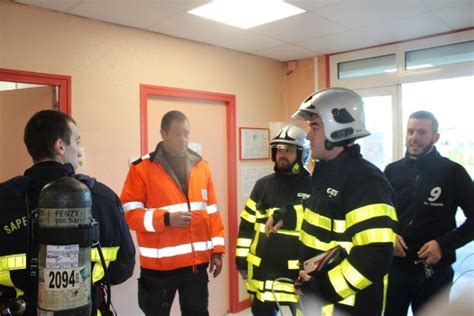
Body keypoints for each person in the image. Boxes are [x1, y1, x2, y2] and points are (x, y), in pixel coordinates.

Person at [0, 110, 136, 315]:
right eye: (77, 141)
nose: (79, 150)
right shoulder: (102, 198)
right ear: (60, 146)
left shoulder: (4, 198)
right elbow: (122, 268)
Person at [287, 87, 398, 315]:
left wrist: (320, 289)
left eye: (315, 127)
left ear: (338, 130)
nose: (308, 135)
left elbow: (374, 255)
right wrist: (285, 215)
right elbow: (322, 219)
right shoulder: (326, 173)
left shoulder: (366, 181)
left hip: (345, 307)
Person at [120, 110, 225, 316]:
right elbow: (130, 215)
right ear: (163, 133)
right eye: (177, 134)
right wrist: (166, 219)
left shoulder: (201, 167)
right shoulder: (141, 169)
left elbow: (212, 213)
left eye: (186, 133)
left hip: (196, 266)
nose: (183, 139)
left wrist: (218, 250)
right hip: (159, 270)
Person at [383, 110, 474, 316]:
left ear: (435, 137)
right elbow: (379, 215)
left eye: (422, 132)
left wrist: (444, 244)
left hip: (434, 273)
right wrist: (388, 234)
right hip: (394, 269)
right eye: (410, 131)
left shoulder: (453, 172)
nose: (415, 137)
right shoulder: (391, 171)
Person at [236, 124, 311, 316]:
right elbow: (246, 227)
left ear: (302, 154)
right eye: (278, 149)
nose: (282, 154)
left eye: (289, 150)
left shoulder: (314, 187)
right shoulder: (263, 185)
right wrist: (241, 261)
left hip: (297, 277)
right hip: (263, 275)